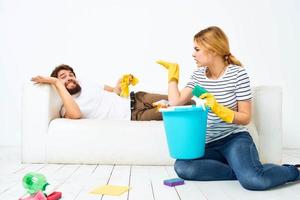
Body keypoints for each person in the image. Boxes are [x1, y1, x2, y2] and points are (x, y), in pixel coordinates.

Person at [157, 26, 300, 190]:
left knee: (254, 181)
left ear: (213, 50)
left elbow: (245, 117)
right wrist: (173, 74)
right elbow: (175, 102)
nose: (193, 54)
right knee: (182, 166)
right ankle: (240, 171)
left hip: (234, 139)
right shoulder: (198, 76)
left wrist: (219, 109)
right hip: (208, 143)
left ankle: (293, 171)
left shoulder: (237, 74)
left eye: (197, 49)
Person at [31, 64, 193, 120]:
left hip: (137, 97)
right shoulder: (66, 107)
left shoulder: (86, 83)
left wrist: (122, 82)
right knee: (183, 108)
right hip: (135, 116)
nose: (70, 78)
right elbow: (76, 114)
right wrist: (56, 83)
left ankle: (199, 86)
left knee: (187, 101)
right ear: (58, 84)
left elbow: (115, 91)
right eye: (63, 77)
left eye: (71, 75)